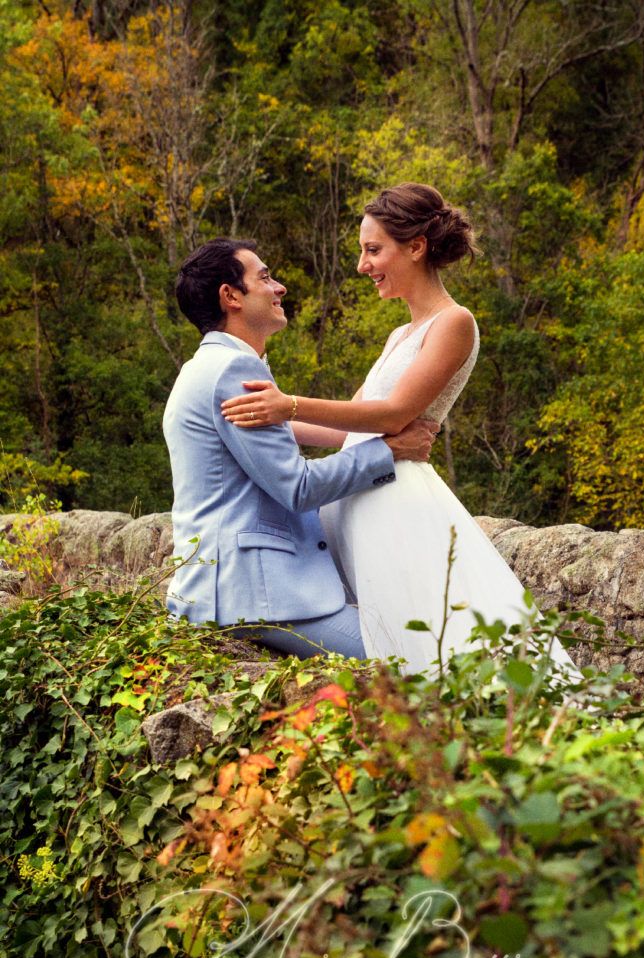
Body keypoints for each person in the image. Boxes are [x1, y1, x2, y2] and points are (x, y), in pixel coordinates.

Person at [220, 183, 581, 677]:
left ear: (416, 247)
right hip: (361, 489)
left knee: (425, 643)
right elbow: (354, 424)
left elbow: (392, 414)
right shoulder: (399, 333)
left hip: (397, 500)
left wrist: (289, 404)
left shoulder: (455, 322)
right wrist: (264, 421)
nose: (362, 265)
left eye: (373, 250)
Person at [163, 236, 438, 660]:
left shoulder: (205, 367)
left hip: (217, 589)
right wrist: (390, 451)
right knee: (409, 657)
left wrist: (367, 432)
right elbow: (297, 487)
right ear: (230, 296)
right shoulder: (234, 370)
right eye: (265, 278)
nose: (279, 288)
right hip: (252, 595)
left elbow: (282, 434)